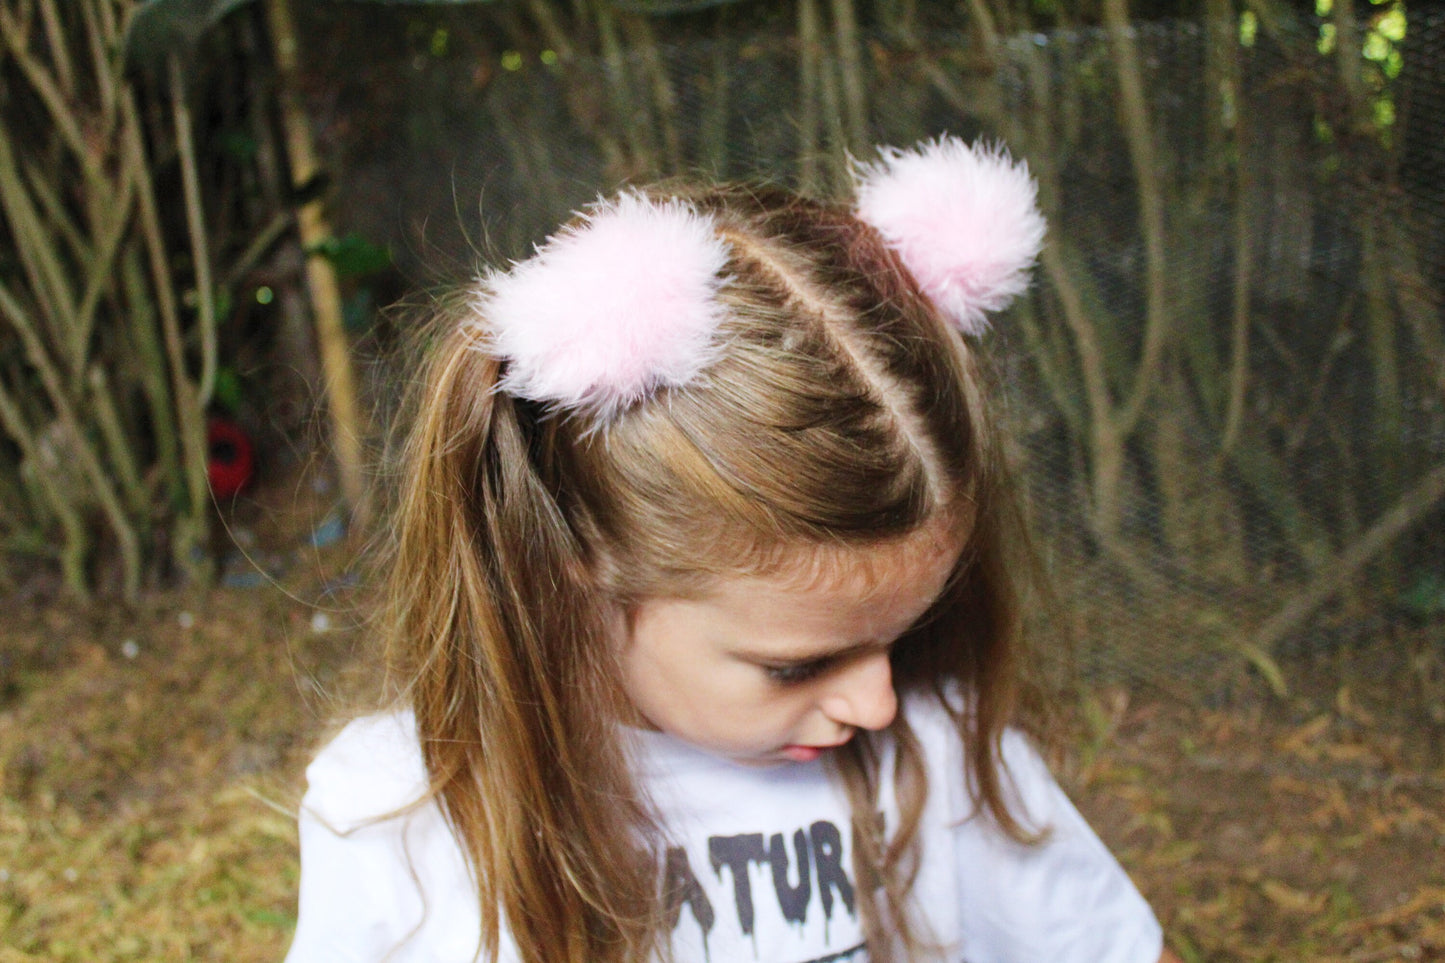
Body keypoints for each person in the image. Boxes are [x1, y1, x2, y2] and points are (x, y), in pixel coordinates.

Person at [284, 137, 1180, 963]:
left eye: (900, 635)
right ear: (575, 559)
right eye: (798, 665)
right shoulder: (398, 820)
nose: (876, 702)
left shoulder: (940, 761)